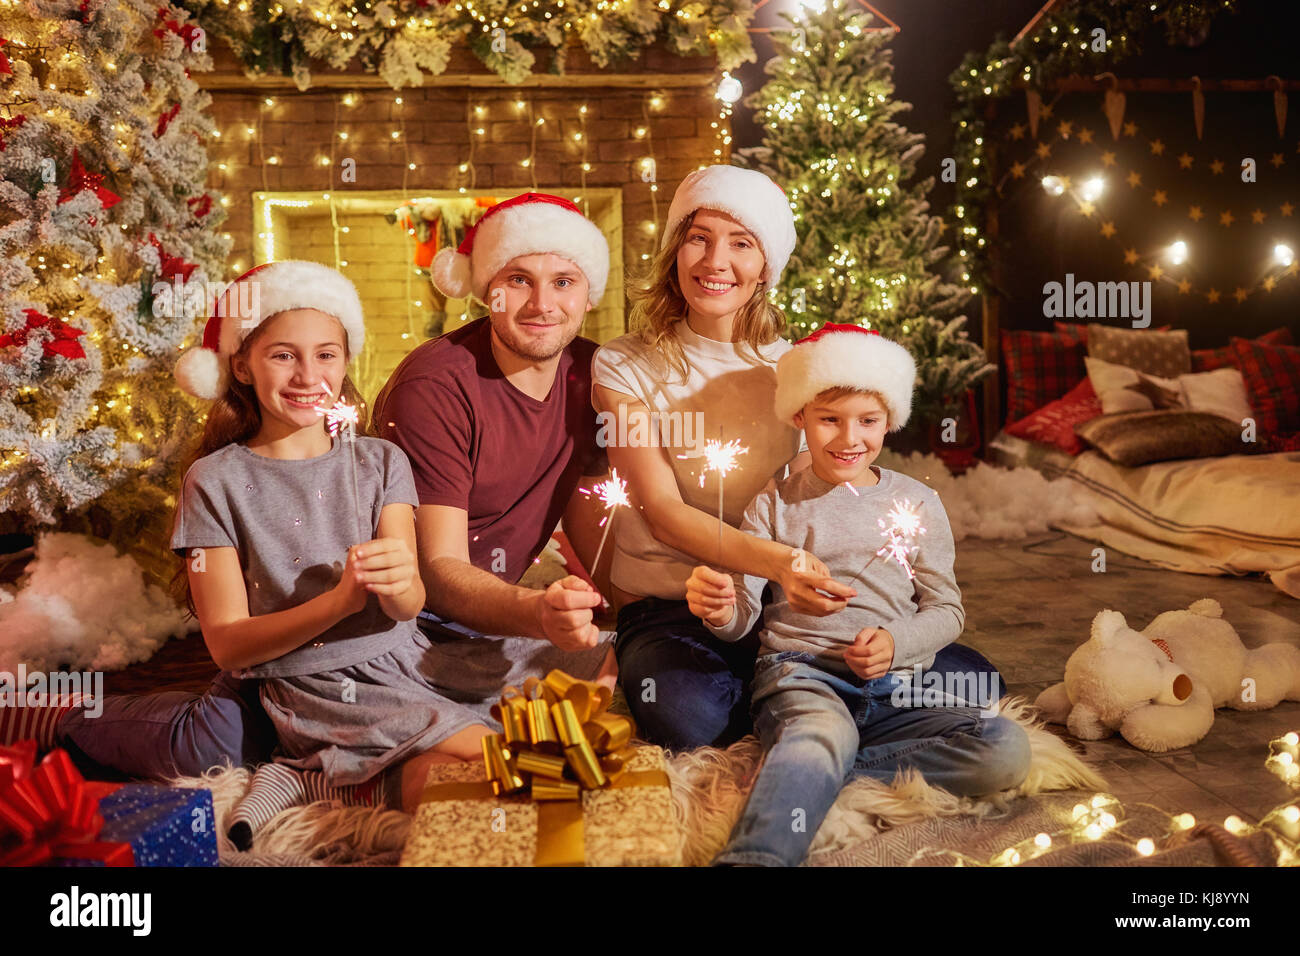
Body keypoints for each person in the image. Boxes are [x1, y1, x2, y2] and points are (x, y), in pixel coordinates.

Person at [22, 196, 616, 799]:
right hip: (305, 675)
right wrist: (342, 600)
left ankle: (321, 772)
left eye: (325, 355)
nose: (309, 376)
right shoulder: (215, 480)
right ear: (243, 367)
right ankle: (53, 716)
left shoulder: (377, 461)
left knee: (531, 727)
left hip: (398, 656)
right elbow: (228, 643)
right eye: (284, 356)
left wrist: (399, 582)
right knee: (209, 742)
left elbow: (413, 598)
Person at [591, 165, 1004, 751]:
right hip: (678, 608)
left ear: (766, 267)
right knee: (689, 719)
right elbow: (660, 510)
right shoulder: (622, 364)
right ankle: (816, 715)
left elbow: (836, 478)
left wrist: (874, 622)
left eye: (741, 244)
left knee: (977, 684)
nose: (715, 262)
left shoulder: (798, 371)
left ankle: (807, 714)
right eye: (698, 237)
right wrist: (780, 562)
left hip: (787, 612)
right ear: (674, 249)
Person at [685, 325, 1032, 866]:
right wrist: (722, 610)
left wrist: (896, 641)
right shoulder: (773, 503)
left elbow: (948, 611)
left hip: (899, 687)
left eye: (867, 421)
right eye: (830, 419)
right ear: (800, 417)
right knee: (820, 733)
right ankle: (756, 855)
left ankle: (811, 773)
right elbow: (743, 615)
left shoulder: (918, 502)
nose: (849, 438)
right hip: (803, 675)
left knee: (1005, 747)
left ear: (889, 419)